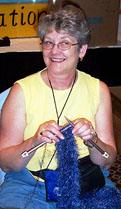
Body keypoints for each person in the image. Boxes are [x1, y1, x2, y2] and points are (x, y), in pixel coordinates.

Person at [0, 1, 120, 209]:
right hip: (30, 185)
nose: (54, 50)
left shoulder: (98, 89)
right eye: (48, 42)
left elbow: (108, 160)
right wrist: (35, 142)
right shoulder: (21, 92)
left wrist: (92, 139)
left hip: (86, 183)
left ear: (82, 50)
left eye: (65, 43)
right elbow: (6, 164)